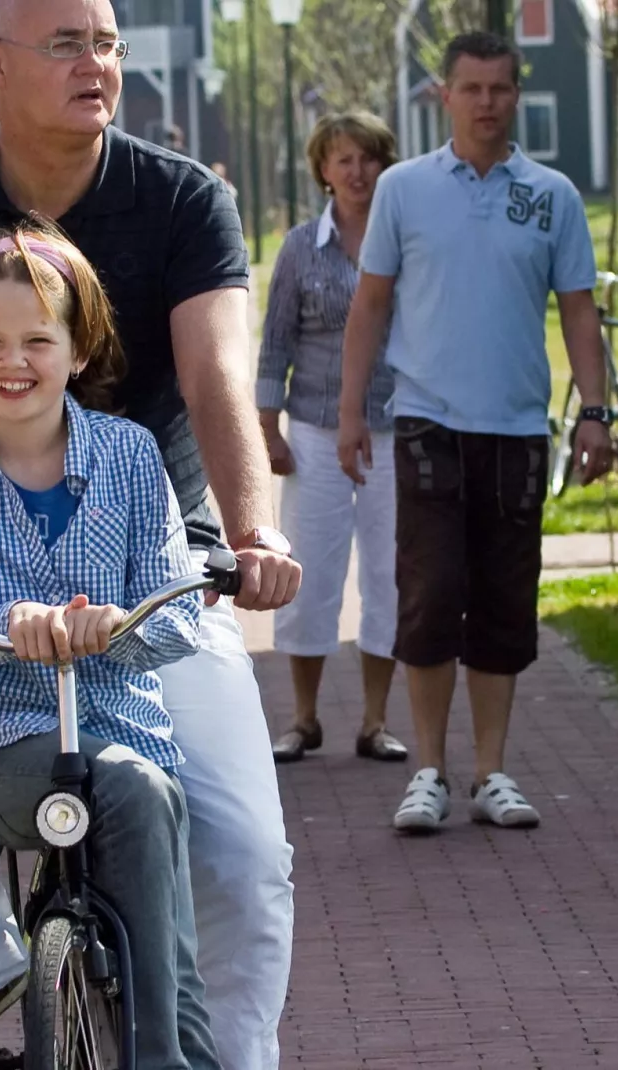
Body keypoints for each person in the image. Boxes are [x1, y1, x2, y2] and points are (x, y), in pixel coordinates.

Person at [0, 0, 302, 1065]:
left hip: (149, 582)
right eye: (67, 42)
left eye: (109, 42)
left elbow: (216, 380)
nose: (99, 64)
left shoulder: (182, 199)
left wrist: (252, 536)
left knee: (250, 853)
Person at [0, 224, 217, 1067]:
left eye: (39, 339)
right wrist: (10, 624)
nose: (15, 361)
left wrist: (116, 622)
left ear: (79, 350)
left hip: (121, 728)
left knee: (170, 953)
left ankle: (174, 1052)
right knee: (131, 795)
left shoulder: (130, 455)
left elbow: (181, 616)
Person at [336, 32, 614, 833]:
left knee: (502, 601)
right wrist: (353, 411)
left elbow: (579, 311)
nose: (488, 103)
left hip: (518, 427)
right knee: (429, 596)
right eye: (473, 89)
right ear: (445, 96)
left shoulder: (552, 195)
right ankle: (428, 768)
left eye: (501, 88)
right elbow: (372, 304)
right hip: (427, 423)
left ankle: (491, 769)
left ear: (516, 94)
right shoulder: (404, 190)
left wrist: (593, 411)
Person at [258, 111, 406, 764]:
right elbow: (277, 338)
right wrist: (267, 424)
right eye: (342, 159)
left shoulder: (405, 237)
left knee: (389, 573)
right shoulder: (299, 247)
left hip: (393, 426)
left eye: (368, 158)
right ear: (322, 169)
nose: (356, 171)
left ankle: (376, 720)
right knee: (310, 568)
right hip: (315, 427)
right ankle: (304, 718)